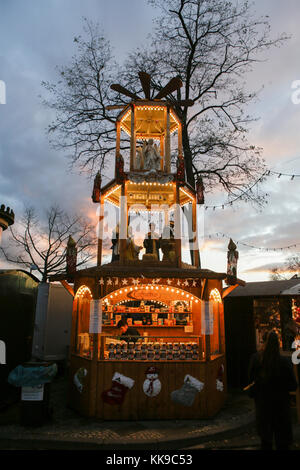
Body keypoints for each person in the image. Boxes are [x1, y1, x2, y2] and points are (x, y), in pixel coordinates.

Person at [248, 330, 298, 450]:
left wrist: (256, 394)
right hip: (281, 406)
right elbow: (293, 385)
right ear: (278, 344)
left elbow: (251, 384)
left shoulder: (256, 360)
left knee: (266, 442)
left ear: (263, 342)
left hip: (263, 405)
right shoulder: (284, 362)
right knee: (283, 442)